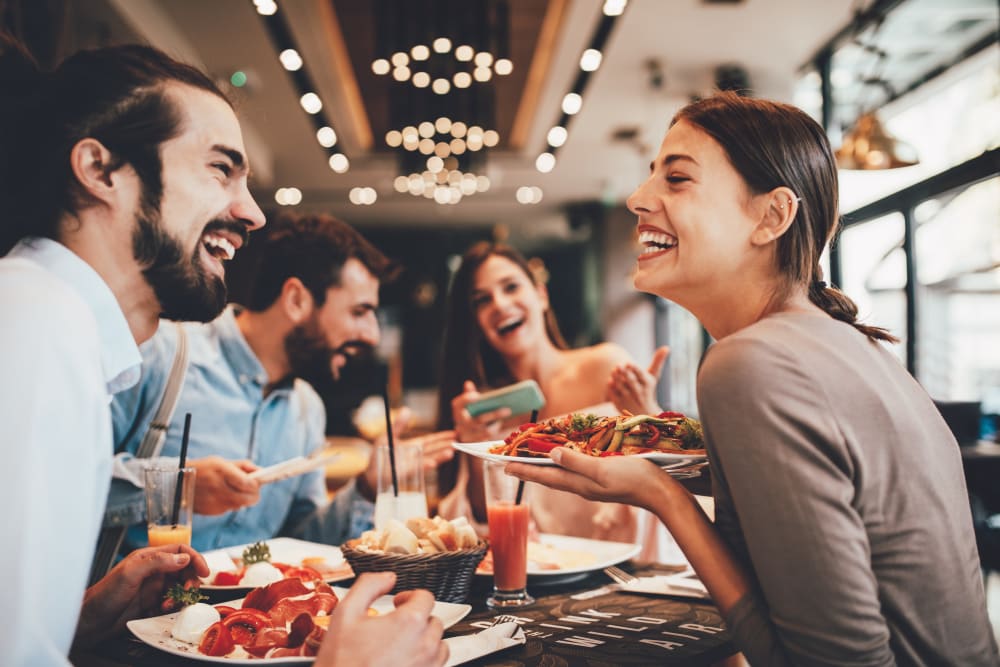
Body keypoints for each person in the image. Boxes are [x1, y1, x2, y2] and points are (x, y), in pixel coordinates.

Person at [507, 92, 999, 664]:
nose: (639, 200)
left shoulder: (749, 361)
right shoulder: (854, 347)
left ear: (771, 217)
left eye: (678, 179)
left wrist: (661, 494)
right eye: (650, 179)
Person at [0, 38, 446, 667]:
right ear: (101, 171)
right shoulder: (35, 329)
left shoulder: (55, 325)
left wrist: (83, 619)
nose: (253, 214)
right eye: (219, 168)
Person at [109, 212, 454, 554]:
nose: (372, 334)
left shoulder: (307, 408)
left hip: (248, 608)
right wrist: (178, 487)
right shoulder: (159, 354)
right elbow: (67, 480)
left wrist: (366, 487)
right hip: (137, 608)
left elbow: (302, 542)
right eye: (359, 312)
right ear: (296, 300)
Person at [436, 242, 670, 551]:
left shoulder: (604, 367)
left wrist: (648, 413)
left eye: (511, 287)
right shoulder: (488, 413)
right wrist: (473, 452)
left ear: (541, 295)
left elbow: (662, 482)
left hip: (628, 565)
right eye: (482, 300)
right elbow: (484, 523)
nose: (500, 305)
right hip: (541, 580)